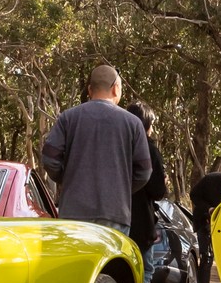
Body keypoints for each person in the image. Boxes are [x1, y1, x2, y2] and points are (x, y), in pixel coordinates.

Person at [39, 65, 152, 233]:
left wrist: (69, 179)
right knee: (111, 259)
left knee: (76, 259)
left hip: (73, 213)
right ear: (116, 89)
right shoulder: (133, 123)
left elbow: (49, 158)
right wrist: (119, 187)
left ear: (90, 90)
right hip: (115, 214)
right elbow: (144, 171)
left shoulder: (68, 118)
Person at [123, 102, 168, 259]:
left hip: (115, 218)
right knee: (146, 270)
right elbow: (157, 190)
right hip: (140, 221)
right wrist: (163, 181)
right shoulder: (149, 149)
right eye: (152, 124)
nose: (153, 130)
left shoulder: (118, 146)